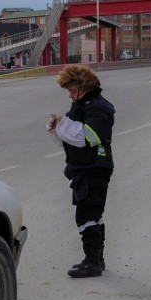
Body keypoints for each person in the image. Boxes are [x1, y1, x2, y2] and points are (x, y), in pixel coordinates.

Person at [47, 64, 115, 278]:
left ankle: (92, 262)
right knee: (93, 214)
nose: (70, 95)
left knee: (87, 215)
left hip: (95, 168)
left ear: (84, 87)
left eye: (72, 90)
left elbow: (88, 137)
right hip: (82, 169)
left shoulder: (100, 108)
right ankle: (96, 260)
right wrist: (56, 128)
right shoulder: (80, 105)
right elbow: (68, 140)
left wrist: (63, 125)